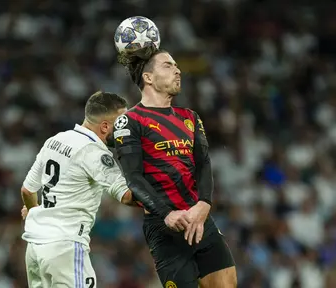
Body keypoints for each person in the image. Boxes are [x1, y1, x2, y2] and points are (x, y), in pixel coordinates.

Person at [113, 46, 237, 288]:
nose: (178, 70)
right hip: (164, 227)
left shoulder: (190, 117)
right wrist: (167, 213)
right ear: (148, 78)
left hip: (200, 220)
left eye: (177, 65)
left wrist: (204, 204)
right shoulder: (130, 121)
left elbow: (203, 164)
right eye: (168, 65)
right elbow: (134, 179)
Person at [21, 91, 134, 288]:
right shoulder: (93, 151)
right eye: (121, 123)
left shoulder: (55, 140)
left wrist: (34, 211)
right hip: (65, 246)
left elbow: (27, 191)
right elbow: (126, 196)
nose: (125, 130)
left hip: (35, 248)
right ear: (105, 126)